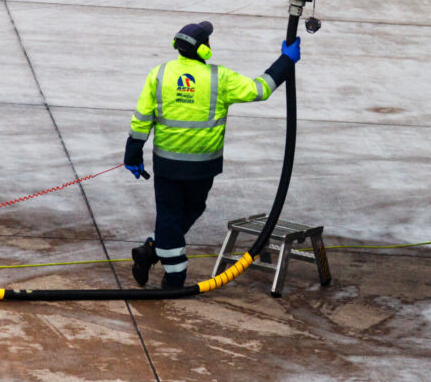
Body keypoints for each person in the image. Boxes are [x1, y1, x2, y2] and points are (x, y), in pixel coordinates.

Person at [124, 20, 301, 289]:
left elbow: (141, 119)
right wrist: (285, 61)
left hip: (167, 165)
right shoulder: (221, 78)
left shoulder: (159, 74)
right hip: (202, 167)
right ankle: (174, 278)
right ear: (204, 49)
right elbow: (260, 89)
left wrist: (133, 154)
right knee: (189, 210)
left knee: (171, 215)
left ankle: (152, 248)